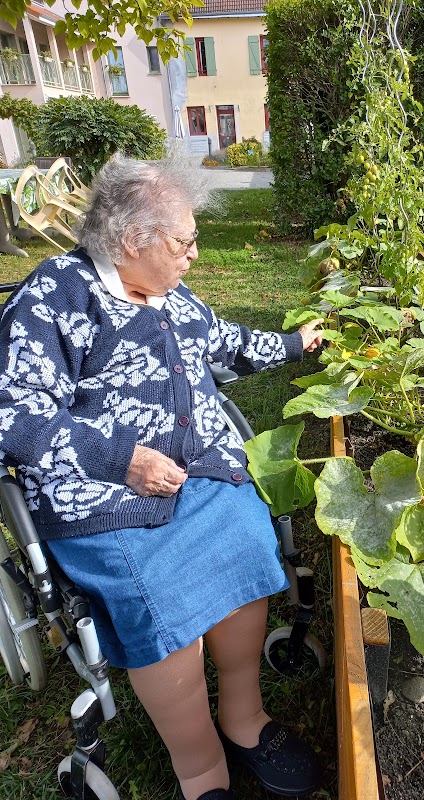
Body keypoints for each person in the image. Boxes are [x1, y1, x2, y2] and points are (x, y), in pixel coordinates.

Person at [0, 153, 324, 800]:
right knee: (164, 590)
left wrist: (295, 344)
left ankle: (244, 719)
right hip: (101, 496)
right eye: (184, 241)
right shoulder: (57, 295)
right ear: (132, 240)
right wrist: (123, 458)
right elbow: (16, 415)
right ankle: (200, 769)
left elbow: (225, 342)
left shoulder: (172, 294)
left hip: (195, 471)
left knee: (246, 537)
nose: (194, 255)